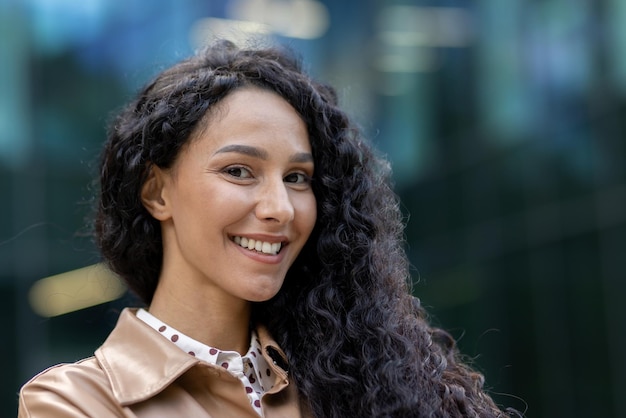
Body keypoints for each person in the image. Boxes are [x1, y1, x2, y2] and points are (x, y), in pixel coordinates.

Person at [18, 40, 518, 417]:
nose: (281, 208)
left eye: (298, 178)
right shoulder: (76, 401)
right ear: (157, 192)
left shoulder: (355, 377)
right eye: (239, 170)